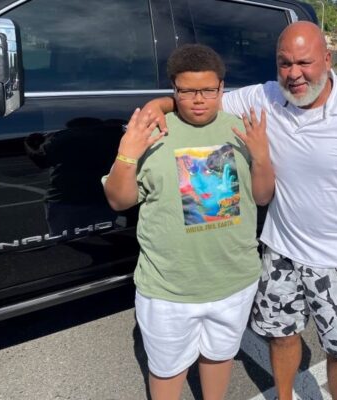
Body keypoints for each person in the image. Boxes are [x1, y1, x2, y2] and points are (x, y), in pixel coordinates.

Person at [142, 21, 337, 400]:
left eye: (304, 62)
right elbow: (201, 95)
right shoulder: (263, 98)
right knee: (280, 337)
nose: (294, 74)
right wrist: (159, 103)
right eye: (284, 63)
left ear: (328, 60)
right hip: (280, 251)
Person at [103, 44, 274, 400]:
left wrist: (261, 158)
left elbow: (261, 197)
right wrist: (127, 153)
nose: (199, 99)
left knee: (220, 357)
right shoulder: (152, 130)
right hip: (168, 289)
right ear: (174, 90)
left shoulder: (241, 129)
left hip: (233, 281)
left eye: (208, 90)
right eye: (187, 91)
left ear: (222, 88)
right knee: (166, 370)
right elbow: (119, 199)